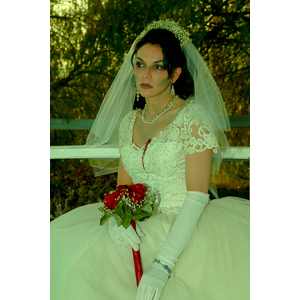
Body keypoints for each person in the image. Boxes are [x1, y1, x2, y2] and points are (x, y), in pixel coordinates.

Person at [51, 20, 250, 300]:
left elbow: (196, 197)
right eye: (140, 64)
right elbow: (124, 187)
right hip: (139, 225)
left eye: (158, 66)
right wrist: (115, 220)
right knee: (61, 241)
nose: (146, 74)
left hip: (185, 225)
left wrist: (163, 264)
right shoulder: (129, 122)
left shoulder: (193, 119)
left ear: (175, 74)